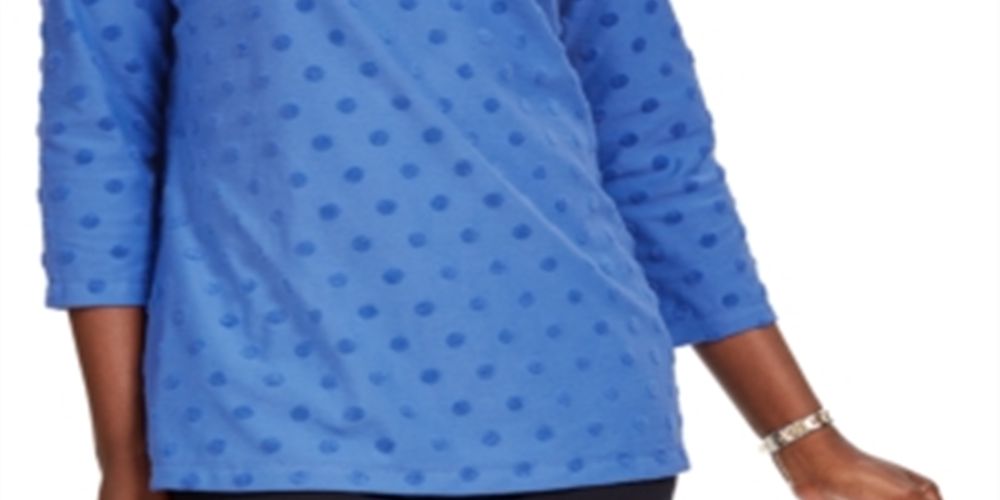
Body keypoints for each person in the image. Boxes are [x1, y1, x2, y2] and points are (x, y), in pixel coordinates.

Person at [36, 1, 942, 499]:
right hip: (272, 436)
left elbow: (655, 156)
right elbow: (99, 152)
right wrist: (124, 460)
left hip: (584, 431)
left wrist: (807, 445)